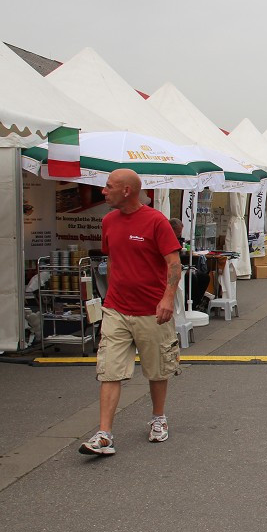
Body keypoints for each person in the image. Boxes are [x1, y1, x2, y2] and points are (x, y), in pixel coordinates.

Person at [79, 169, 182, 457]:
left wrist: (167, 299)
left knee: (157, 368)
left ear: (126, 191)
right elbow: (113, 259)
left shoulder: (156, 222)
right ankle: (104, 434)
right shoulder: (109, 221)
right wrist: (110, 294)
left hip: (151, 309)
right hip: (117, 309)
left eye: (108, 186)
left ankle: (158, 417)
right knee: (109, 370)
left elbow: (174, 264)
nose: (103, 191)